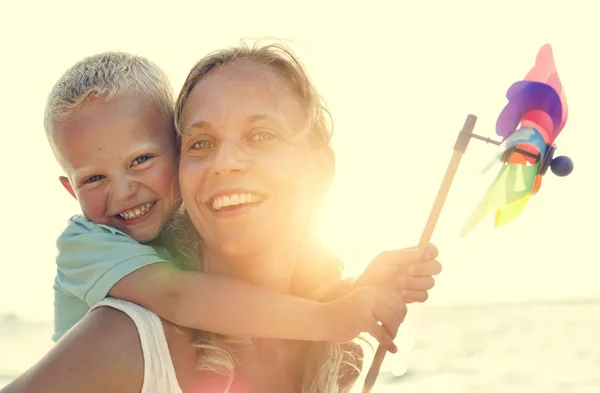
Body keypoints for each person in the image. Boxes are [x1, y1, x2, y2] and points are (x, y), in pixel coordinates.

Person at [2, 41, 441, 393]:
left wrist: (358, 295)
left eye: (261, 135)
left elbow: (239, 302)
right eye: (203, 142)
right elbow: (179, 297)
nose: (121, 191)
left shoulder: (324, 354)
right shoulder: (114, 305)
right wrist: (332, 317)